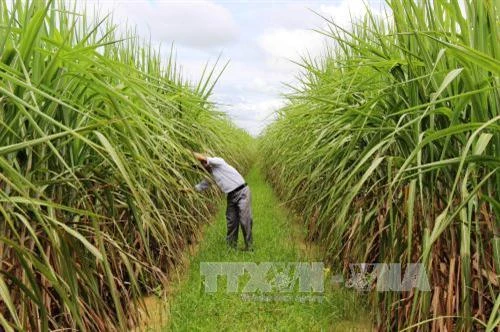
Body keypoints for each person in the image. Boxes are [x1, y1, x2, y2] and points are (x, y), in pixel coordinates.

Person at [192, 152, 253, 251]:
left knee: (245, 220)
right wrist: (186, 189)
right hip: (231, 195)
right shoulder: (211, 176)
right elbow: (199, 187)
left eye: (202, 165)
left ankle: (249, 247)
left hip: (242, 192)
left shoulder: (218, 162)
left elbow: (202, 158)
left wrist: (188, 152)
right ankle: (231, 248)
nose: (202, 168)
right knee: (231, 221)